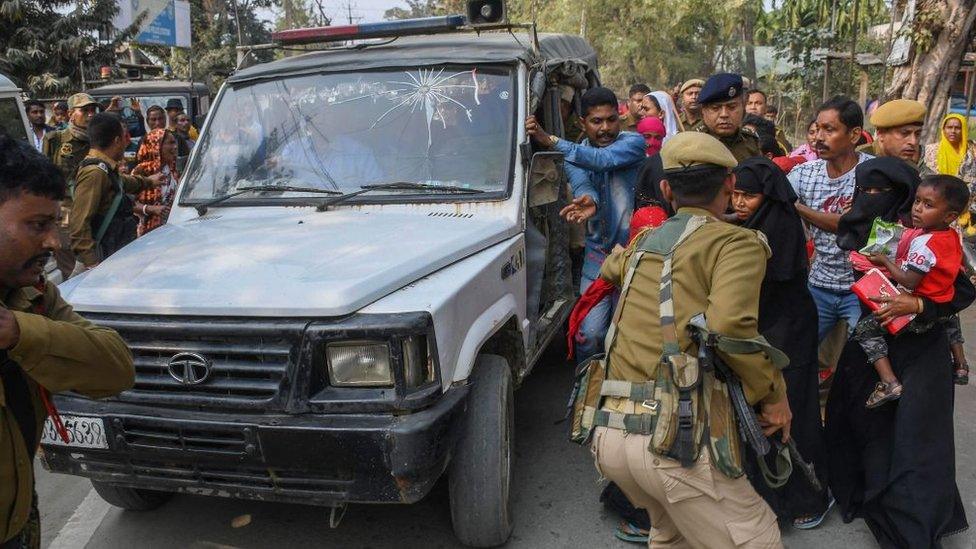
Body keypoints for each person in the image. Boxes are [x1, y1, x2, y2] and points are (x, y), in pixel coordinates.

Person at [591, 131, 789, 548]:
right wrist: (773, 395)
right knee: (756, 538)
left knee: (671, 536)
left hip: (611, 435)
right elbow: (730, 328)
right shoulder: (737, 243)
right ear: (731, 186)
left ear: (666, 190)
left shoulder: (644, 242)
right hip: (676, 441)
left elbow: (611, 267)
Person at [0, 133, 134, 549]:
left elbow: (116, 368)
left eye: (54, 223)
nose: (54, 242)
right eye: (38, 226)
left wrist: (19, 332)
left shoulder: (33, 298)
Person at [826, 179, 974, 549]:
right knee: (867, 431)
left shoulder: (932, 239)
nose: (873, 199)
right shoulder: (875, 230)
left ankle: (913, 527)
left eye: (885, 191)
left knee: (916, 440)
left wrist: (921, 305)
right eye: (868, 190)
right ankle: (867, 499)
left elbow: (962, 291)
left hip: (921, 351)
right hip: (869, 357)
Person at [732, 157, 831, 529]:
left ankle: (805, 495)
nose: (739, 203)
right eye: (735, 195)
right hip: (769, 329)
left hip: (786, 332)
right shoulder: (757, 222)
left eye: (749, 196)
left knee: (794, 412)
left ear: (768, 197)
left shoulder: (777, 229)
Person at [525, 87, 645, 361]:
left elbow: (602, 161)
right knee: (589, 336)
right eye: (596, 122)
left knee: (627, 336)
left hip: (633, 257)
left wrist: (550, 140)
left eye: (611, 119)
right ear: (582, 123)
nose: (605, 128)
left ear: (620, 117)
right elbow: (582, 183)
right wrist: (588, 199)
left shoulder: (633, 144)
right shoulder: (576, 154)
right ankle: (585, 394)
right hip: (597, 260)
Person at [851, 173, 968, 409]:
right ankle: (961, 363)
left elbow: (910, 281)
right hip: (942, 302)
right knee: (950, 320)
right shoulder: (951, 236)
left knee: (864, 330)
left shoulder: (925, 244)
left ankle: (889, 381)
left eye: (928, 205)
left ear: (950, 216)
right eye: (917, 201)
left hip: (916, 309)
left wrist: (885, 261)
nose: (917, 209)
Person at [788, 95, 872, 343]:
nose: (819, 138)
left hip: (861, 288)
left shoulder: (873, 174)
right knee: (800, 351)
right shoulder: (803, 174)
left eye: (829, 129)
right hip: (819, 286)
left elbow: (847, 226)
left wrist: (798, 207)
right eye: (817, 129)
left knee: (868, 356)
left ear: (854, 135)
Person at [68, 113, 165, 274]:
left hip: (114, 254)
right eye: (124, 137)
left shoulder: (105, 170)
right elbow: (79, 224)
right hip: (101, 261)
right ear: (117, 140)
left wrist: (149, 181)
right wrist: (92, 264)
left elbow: (123, 182)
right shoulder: (94, 173)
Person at [41, 93, 100, 280]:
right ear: (70, 114)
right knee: (70, 273)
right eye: (84, 111)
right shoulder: (55, 140)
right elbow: (45, 180)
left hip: (94, 214)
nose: (90, 115)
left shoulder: (99, 141)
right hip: (66, 216)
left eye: (92, 110)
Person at [696, 73, 762, 162]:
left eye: (732, 107)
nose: (724, 114)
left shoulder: (751, 141)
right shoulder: (692, 143)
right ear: (703, 110)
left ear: (743, 107)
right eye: (716, 108)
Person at [132, 129, 179, 236]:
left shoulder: (172, 169)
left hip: (171, 228)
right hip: (148, 232)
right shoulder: (142, 171)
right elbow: (126, 203)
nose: (175, 147)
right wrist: (150, 209)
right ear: (157, 146)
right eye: (170, 143)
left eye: (175, 142)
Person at [863, 99, 925, 165]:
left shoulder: (914, 162)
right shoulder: (858, 161)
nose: (913, 142)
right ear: (881, 134)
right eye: (904, 133)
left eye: (917, 134)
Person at [924, 113, 976, 183]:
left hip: (966, 192)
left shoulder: (972, 150)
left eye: (958, 128)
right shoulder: (930, 150)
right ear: (943, 129)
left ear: (963, 130)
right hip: (937, 191)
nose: (953, 131)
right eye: (949, 127)